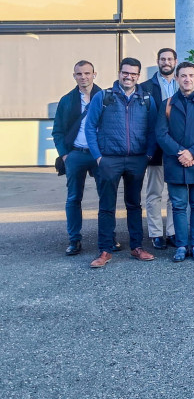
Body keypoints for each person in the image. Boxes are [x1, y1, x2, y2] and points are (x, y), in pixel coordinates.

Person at [85, 57, 159, 268]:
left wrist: (148, 155)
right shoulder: (103, 97)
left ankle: (137, 247)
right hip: (109, 159)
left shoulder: (146, 98)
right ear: (119, 72)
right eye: (125, 72)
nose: (129, 77)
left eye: (134, 73)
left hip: (137, 159)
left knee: (134, 204)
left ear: (138, 75)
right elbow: (90, 127)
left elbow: (153, 129)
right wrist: (98, 156)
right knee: (106, 206)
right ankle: (105, 250)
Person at [156, 62, 194, 262]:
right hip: (175, 162)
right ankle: (182, 246)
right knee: (179, 206)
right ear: (176, 79)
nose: (187, 79)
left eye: (191, 75)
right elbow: (161, 134)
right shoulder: (167, 104)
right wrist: (180, 153)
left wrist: (192, 153)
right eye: (183, 76)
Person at [53, 60, 104, 256]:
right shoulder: (66, 100)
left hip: (99, 154)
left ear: (94, 74)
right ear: (74, 76)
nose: (83, 77)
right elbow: (58, 131)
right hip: (75, 153)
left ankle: (108, 236)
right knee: (74, 198)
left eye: (87, 73)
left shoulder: (105, 97)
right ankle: (74, 240)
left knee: (105, 198)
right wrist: (65, 155)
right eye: (79, 74)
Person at [139, 47, 178, 250]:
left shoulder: (183, 84)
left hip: (177, 147)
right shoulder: (145, 87)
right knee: (154, 193)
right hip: (156, 148)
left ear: (175, 61)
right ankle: (155, 233)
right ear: (157, 61)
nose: (166, 62)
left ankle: (172, 231)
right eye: (162, 59)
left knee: (175, 193)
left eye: (169, 59)